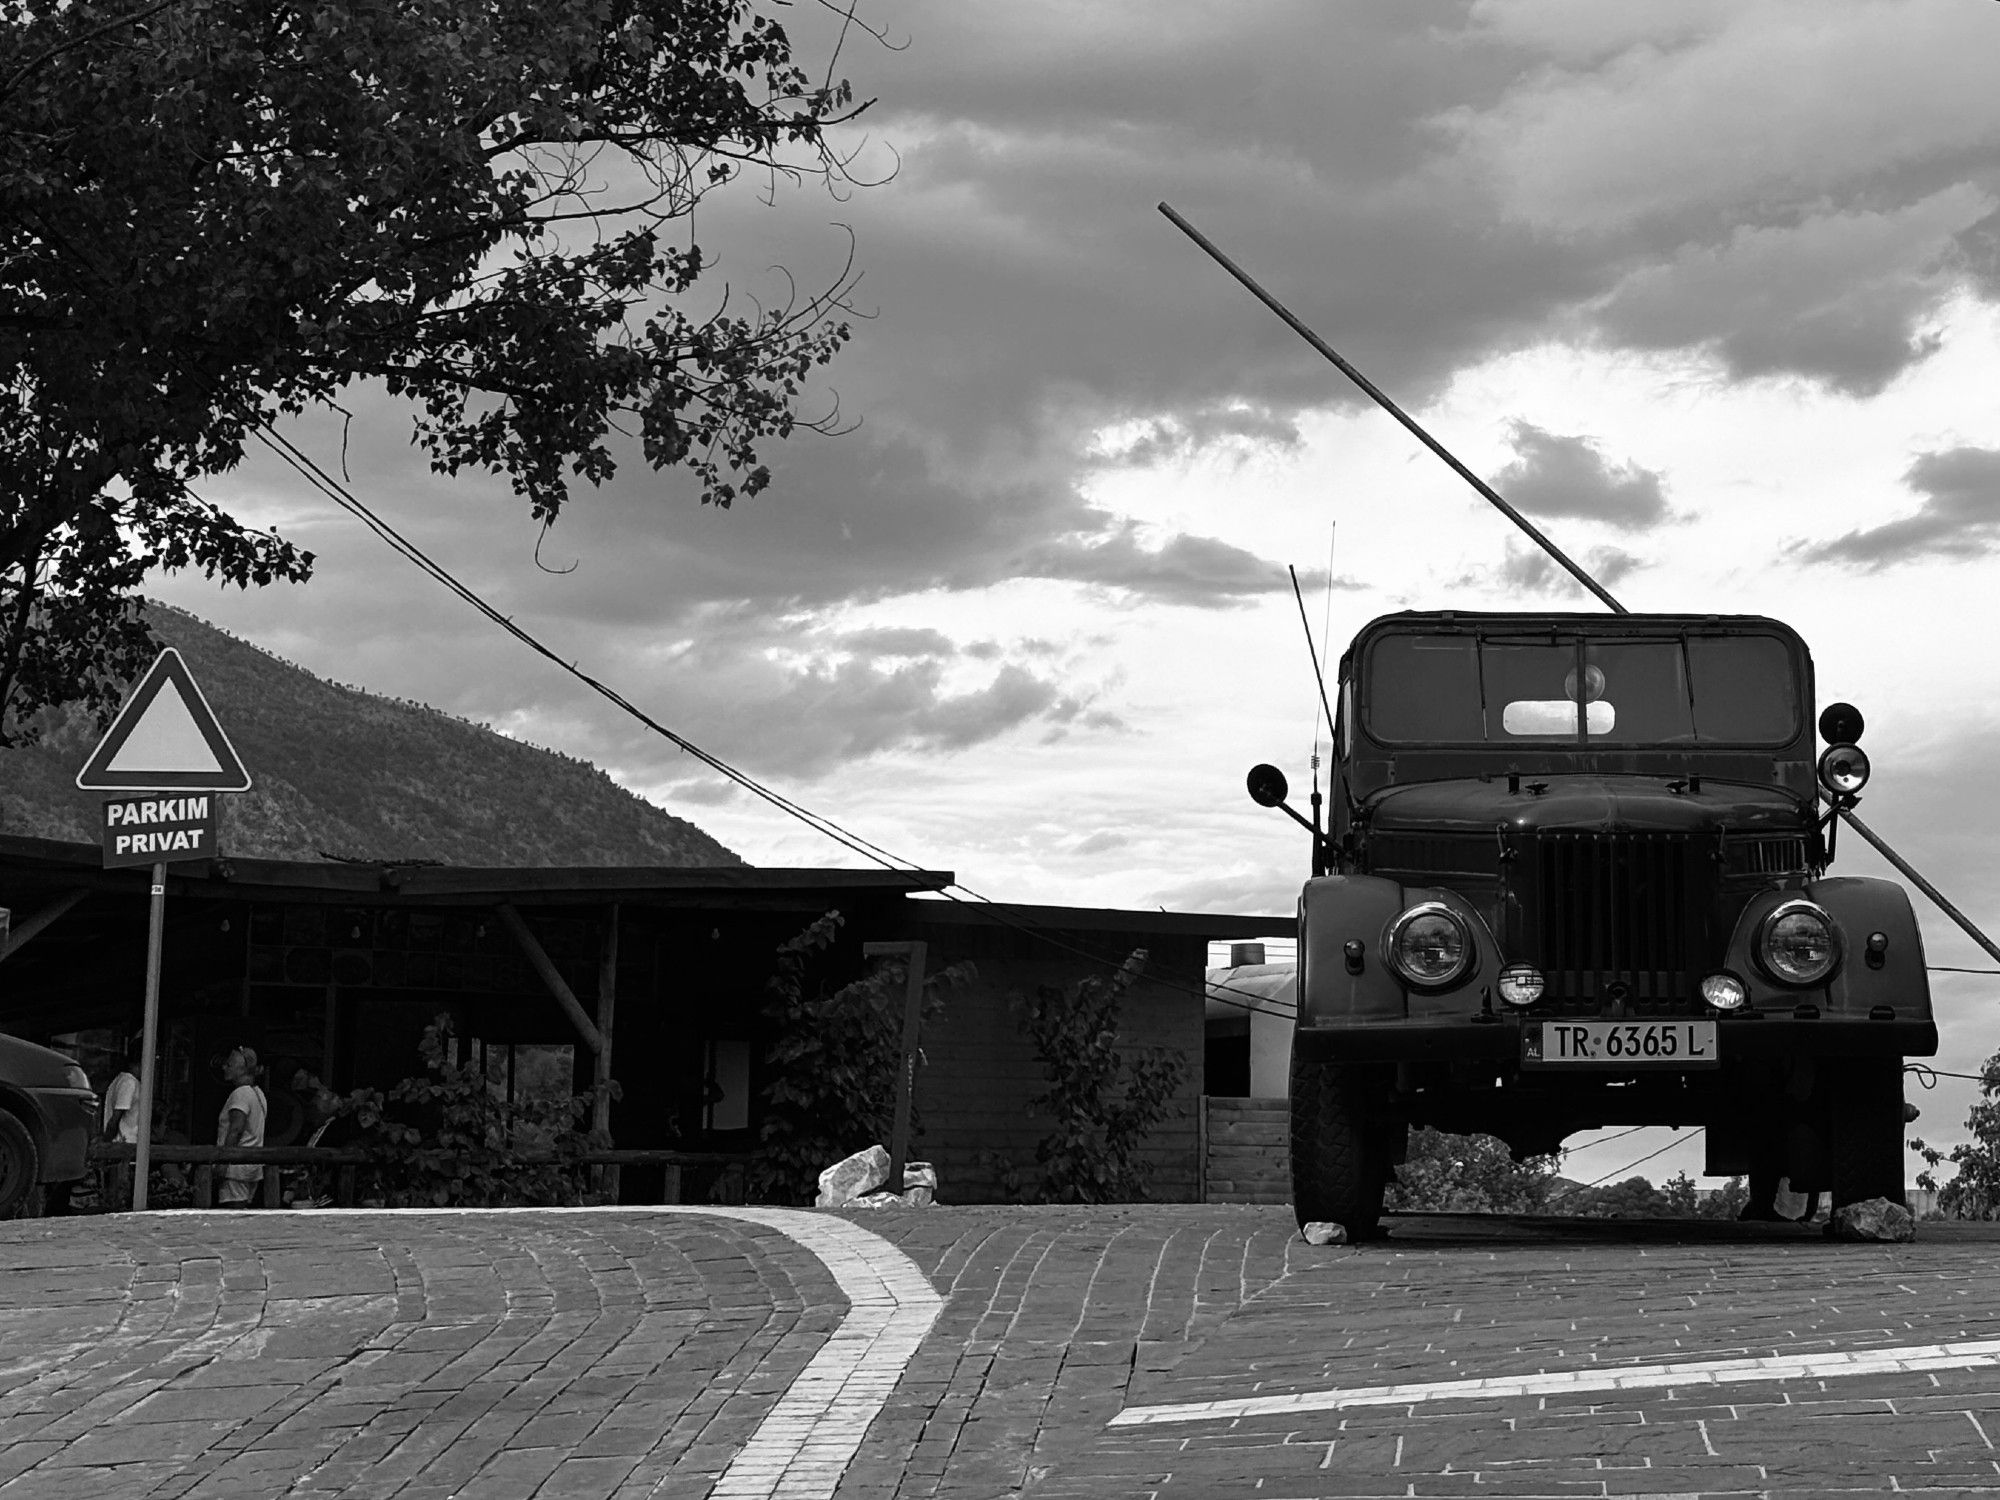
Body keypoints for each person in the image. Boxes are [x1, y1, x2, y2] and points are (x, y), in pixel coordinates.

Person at [215, 1045, 268, 1208]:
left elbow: (236, 1129)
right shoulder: (258, 1093)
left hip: (235, 1168)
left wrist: (223, 1162)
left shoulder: (241, 1094)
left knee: (233, 1213)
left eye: (229, 1065)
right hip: (251, 1167)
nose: (224, 1067)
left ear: (242, 1069)